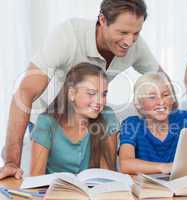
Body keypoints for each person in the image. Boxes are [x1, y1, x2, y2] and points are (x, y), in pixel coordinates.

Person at [0, 0, 162, 179]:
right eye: (123, 32)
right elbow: (24, 93)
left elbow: (162, 82)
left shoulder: (134, 45)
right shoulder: (69, 36)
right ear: (102, 20)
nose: (129, 41)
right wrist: (11, 162)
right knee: (41, 181)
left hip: (88, 122)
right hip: (47, 121)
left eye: (136, 33)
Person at [31, 63, 117, 175]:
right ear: (71, 93)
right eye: (91, 93)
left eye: (104, 94)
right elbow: (36, 178)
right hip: (53, 191)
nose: (100, 101)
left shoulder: (107, 116)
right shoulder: (46, 123)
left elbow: (107, 174)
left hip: (93, 191)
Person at [119, 73, 187, 174]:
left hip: (181, 182)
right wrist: (163, 167)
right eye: (152, 97)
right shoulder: (131, 124)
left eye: (165, 95)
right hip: (148, 187)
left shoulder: (185, 119)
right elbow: (125, 164)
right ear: (139, 103)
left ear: (172, 99)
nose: (161, 102)